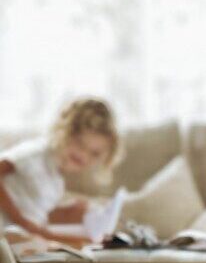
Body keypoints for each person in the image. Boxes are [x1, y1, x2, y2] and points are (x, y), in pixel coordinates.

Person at [0, 97, 122, 247]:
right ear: (65, 132)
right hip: (9, 231)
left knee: (77, 244)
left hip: (26, 234)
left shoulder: (56, 182)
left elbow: (39, 223)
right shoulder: (34, 154)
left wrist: (71, 217)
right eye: (80, 143)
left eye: (94, 153)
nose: (83, 155)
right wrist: (19, 219)